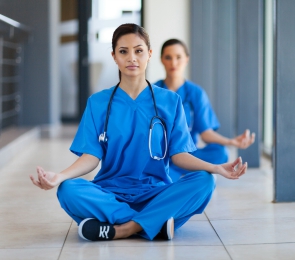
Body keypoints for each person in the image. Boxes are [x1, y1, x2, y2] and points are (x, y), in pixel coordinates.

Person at [29, 24, 247, 242]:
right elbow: (91, 157)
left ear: (149, 54)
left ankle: (121, 228)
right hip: (111, 193)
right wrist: (59, 176)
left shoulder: (170, 102)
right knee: (68, 189)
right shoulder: (97, 103)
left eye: (139, 50)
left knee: (205, 182)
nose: (131, 58)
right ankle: (154, 224)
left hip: (155, 193)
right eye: (123, 51)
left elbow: (179, 155)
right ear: (114, 56)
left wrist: (216, 168)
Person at [155, 39, 255, 181]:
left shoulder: (196, 93)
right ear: (161, 60)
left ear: (187, 59)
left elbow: (206, 133)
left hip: (188, 155)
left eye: (178, 57)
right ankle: (188, 171)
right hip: (161, 156)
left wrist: (231, 142)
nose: (173, 63)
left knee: (220, 153)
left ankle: (182, 170)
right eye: (168, 57)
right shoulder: (153, 92)